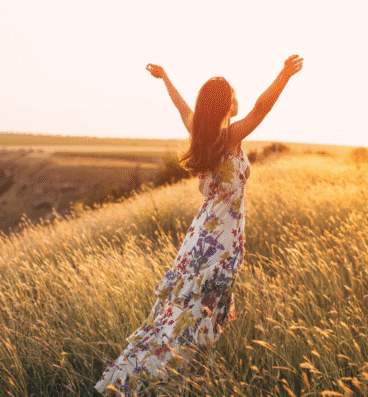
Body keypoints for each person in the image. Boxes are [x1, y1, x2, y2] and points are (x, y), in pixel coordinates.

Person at [95, 55, 303, 396]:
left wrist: (165, 79)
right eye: (234, 97)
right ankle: (178, 382)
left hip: (200, 237)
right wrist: (284, 75)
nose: (239, 102)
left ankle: (163, 376)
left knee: (182, 311)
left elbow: (181, 107)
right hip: (221, 241)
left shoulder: (200, 133)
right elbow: (262, 107)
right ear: (226, 105)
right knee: (202, 313)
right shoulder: (229, 138)